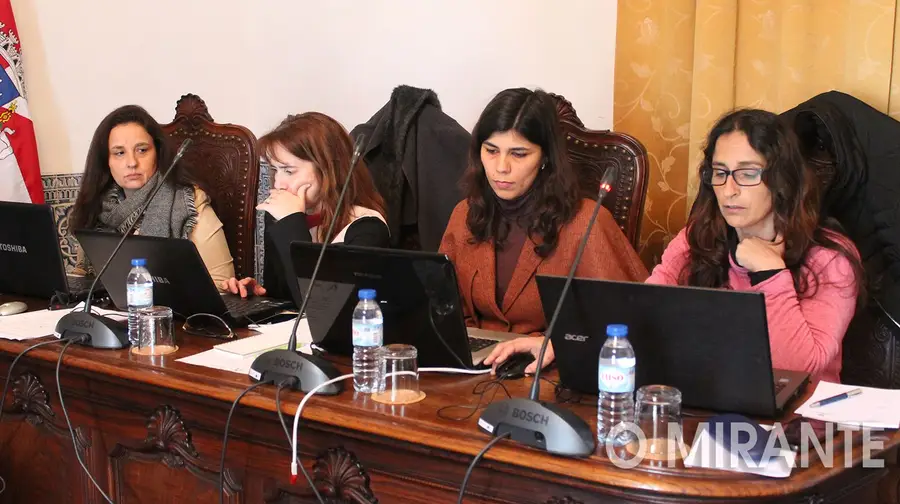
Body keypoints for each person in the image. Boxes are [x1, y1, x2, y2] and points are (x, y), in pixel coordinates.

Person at [486, 108, 864, 383]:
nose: (728, 190)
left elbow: (801, 368)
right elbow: (645, 311)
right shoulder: (700, 236)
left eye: (747, 174)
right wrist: (560, 344)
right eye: (719, 173)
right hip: (708, 409)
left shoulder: (831, 258)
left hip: (802, 431)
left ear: (782, 178)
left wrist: (770, 273)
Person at [441, 88, 648, 373]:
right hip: (473, 370)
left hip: (551, 373)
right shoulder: (464, 214)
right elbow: (443, 308)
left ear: (545, 158)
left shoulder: (586, 221)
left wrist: (556, 344)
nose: (501, 167)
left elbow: (633, 320)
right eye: (491, 151)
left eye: (519, 153)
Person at [221, 112, 389, 300]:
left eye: (289, 171)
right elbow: (286, 298)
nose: (278, 184)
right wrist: (256, 294)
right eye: (274, 170)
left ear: (327, 170)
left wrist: (291, 224)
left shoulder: (367, 228)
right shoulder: (284, 215)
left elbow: (321, 305)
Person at [70, 105, 234, 287]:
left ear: (158, 152)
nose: (132, 163)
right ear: (105, 161)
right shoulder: (98, 205)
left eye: (142, 150)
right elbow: (83, 275)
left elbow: (222, 283)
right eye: (119, 153)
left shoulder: (189, 201)